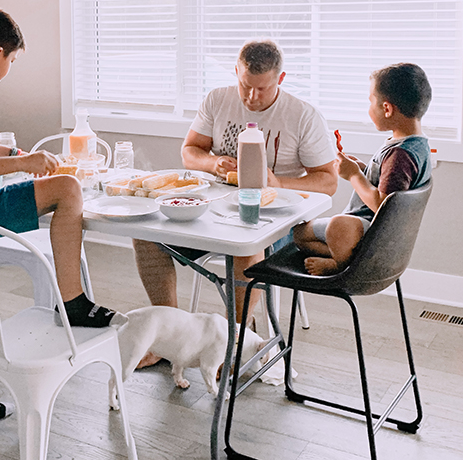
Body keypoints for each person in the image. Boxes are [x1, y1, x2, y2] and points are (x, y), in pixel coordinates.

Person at [0, 7, 126, 432]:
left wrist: (16, 158)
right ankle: (72, 302)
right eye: (12, 60)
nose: (9, 68)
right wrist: (26, 163)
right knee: (67, 189)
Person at [133, 39, 337, 334]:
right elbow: (190, 150)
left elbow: (328, 181)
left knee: (244, 244)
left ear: (280, 79)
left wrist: (279, 183)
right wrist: (212, 164)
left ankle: (237, 337)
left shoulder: (303, 115)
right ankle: (169, 330)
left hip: (277, 222)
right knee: (147, 235)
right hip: (213, 211)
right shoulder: (217, 100)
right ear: (236, 73)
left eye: (262, 88)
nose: (252, 97)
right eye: (245, 86)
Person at [294, 62, 432, 275]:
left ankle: (342, 265)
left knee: (338, 225)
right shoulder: (416, 145)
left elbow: (382, 205)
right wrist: (365, 169)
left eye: (371, 101)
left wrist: (354, 175)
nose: (369, 108)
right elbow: (392, 184)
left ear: (386, 108)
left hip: (370, 234)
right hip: (379, 238)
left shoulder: (400, 155)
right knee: (300, 234)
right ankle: (344, 257)